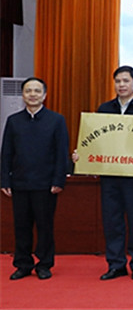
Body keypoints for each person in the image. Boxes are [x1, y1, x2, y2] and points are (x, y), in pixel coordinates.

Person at [73, 65, 133, 281]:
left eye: (126, 81)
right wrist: (82, 155)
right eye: (118, 81)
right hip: (110, 175)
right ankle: (116, 264)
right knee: (112, 221)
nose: (121, 85)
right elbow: (96, 141)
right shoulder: (105, 109)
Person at [1, 77, 69, 280]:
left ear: (44, 95)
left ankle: (44, 264)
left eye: (37, 91)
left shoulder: (56, 120)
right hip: (20, 183)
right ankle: (23, 264)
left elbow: (61, 153)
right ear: (23, 95)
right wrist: (4, 180)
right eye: (28, 91)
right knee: (21, 226)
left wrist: (58, 180)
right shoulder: (13, 121)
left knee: (45, 226)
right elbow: (6, 153)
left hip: (46, 184)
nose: (32, 95)